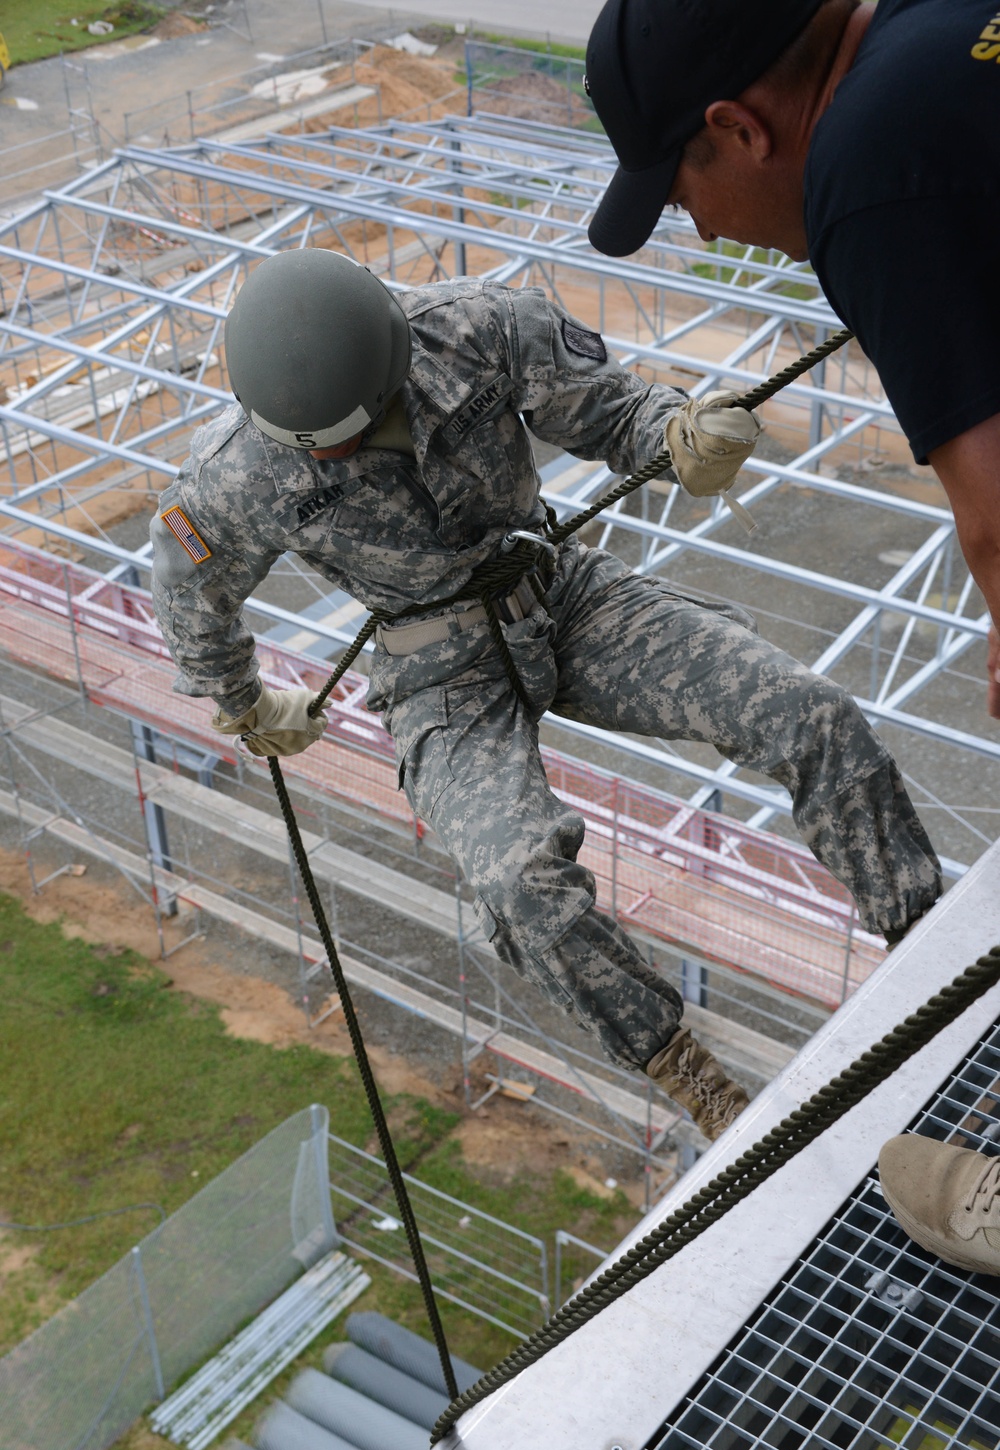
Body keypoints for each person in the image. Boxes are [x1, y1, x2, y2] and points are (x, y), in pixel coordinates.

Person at [150, 248, 942, 1143]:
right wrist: (243, 701)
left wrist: (674, 435)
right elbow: (188, 586)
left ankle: (926, 946)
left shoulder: (481, 330)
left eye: (344, 436)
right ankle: (697, 1081)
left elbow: (607, 408)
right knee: (522, 887)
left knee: (806, 713)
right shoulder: (241, 472)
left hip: (556, 596)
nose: (331, 454)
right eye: (315, 448)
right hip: (437, 674)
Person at [584, 0, 1000, 1262]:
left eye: (682, 189)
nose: (700, 229)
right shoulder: (942, 22)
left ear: (735, 127)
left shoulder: (865, 174)